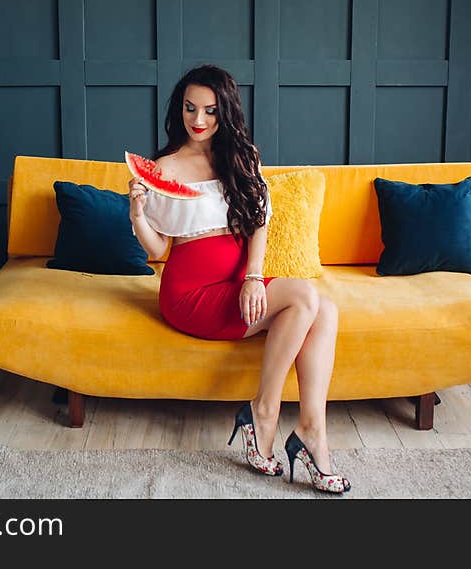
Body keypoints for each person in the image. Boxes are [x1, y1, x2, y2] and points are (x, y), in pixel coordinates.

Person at [128, 64, 350, 494]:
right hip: (190, 295)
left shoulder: (242, 157)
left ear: (225, 111)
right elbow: (157, 251)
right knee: (306, 296)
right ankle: (264, 412)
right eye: (190, 108)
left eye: (210, 111)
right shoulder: (165, 165)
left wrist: (253, 277)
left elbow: (259, 224)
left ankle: (310, 431)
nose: (198, 120)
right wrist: (137, 212)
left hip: (237, 285)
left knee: (325, 309)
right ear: (179, 109)